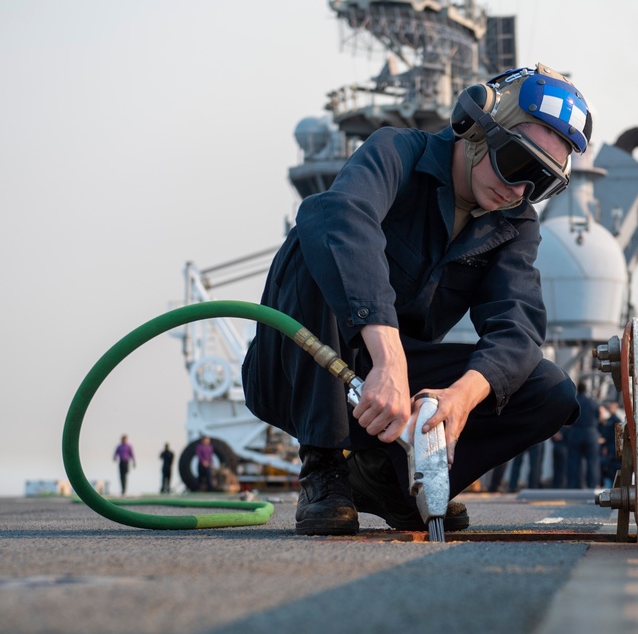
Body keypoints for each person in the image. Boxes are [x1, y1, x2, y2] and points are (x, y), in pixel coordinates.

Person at [243, 63, 593, 536]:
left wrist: (461, 397)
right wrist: (389, 360)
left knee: (550, 390)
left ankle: (391, 480)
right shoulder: (396, 151)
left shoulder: (515, 222)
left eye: (542, 183)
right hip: (298, 365)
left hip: (391, 394)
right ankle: (322, 465)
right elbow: (341, 216)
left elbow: (518, 325)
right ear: (475, 125)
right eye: (516, 163)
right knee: (319, 240)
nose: (519, 190)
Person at [566, 383, 602, 489]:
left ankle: (574, 485)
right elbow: (599, 416)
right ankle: (593, 485)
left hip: (576, 432)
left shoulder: (573, 401)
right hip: (591, 433)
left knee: (574, 461)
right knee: (593, 461)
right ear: (586, 390)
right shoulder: (593, 402)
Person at [598, 401, 622, 488]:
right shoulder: (609, 420)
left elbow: (618, 436)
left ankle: (615, 485)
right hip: (609, 447)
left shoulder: (616, 420)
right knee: (609, 467)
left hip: (613, 447)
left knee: (614, 467)